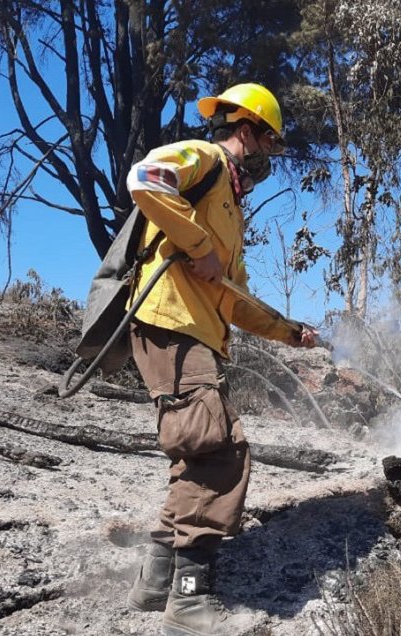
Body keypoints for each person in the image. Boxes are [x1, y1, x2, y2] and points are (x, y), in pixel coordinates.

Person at [123, 83, 319, 636]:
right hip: (170, 322)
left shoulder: (229, 205)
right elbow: (145, 177)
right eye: (270, 144)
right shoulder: (205, 158)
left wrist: (291, 333)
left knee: (196, 454)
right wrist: (198, 244)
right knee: (219, 452)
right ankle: (189, 603)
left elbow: (235, 299)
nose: (270, 158)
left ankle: (155, 581)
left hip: (195, 333)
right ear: (248, 131)